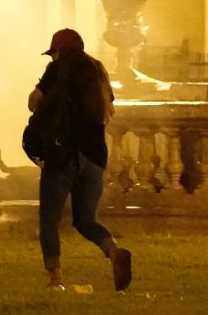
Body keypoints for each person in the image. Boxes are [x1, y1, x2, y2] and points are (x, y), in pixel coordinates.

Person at [27, 28, 132, 292]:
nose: (52, 57)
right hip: (95, 157)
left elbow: (33, 102)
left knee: (49, 219)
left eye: (53, 52)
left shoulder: (58, 69)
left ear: (59, 50)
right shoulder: (98, 70)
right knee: (85, 219)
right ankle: (113, 251)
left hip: (64, 154)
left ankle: (56, 280)